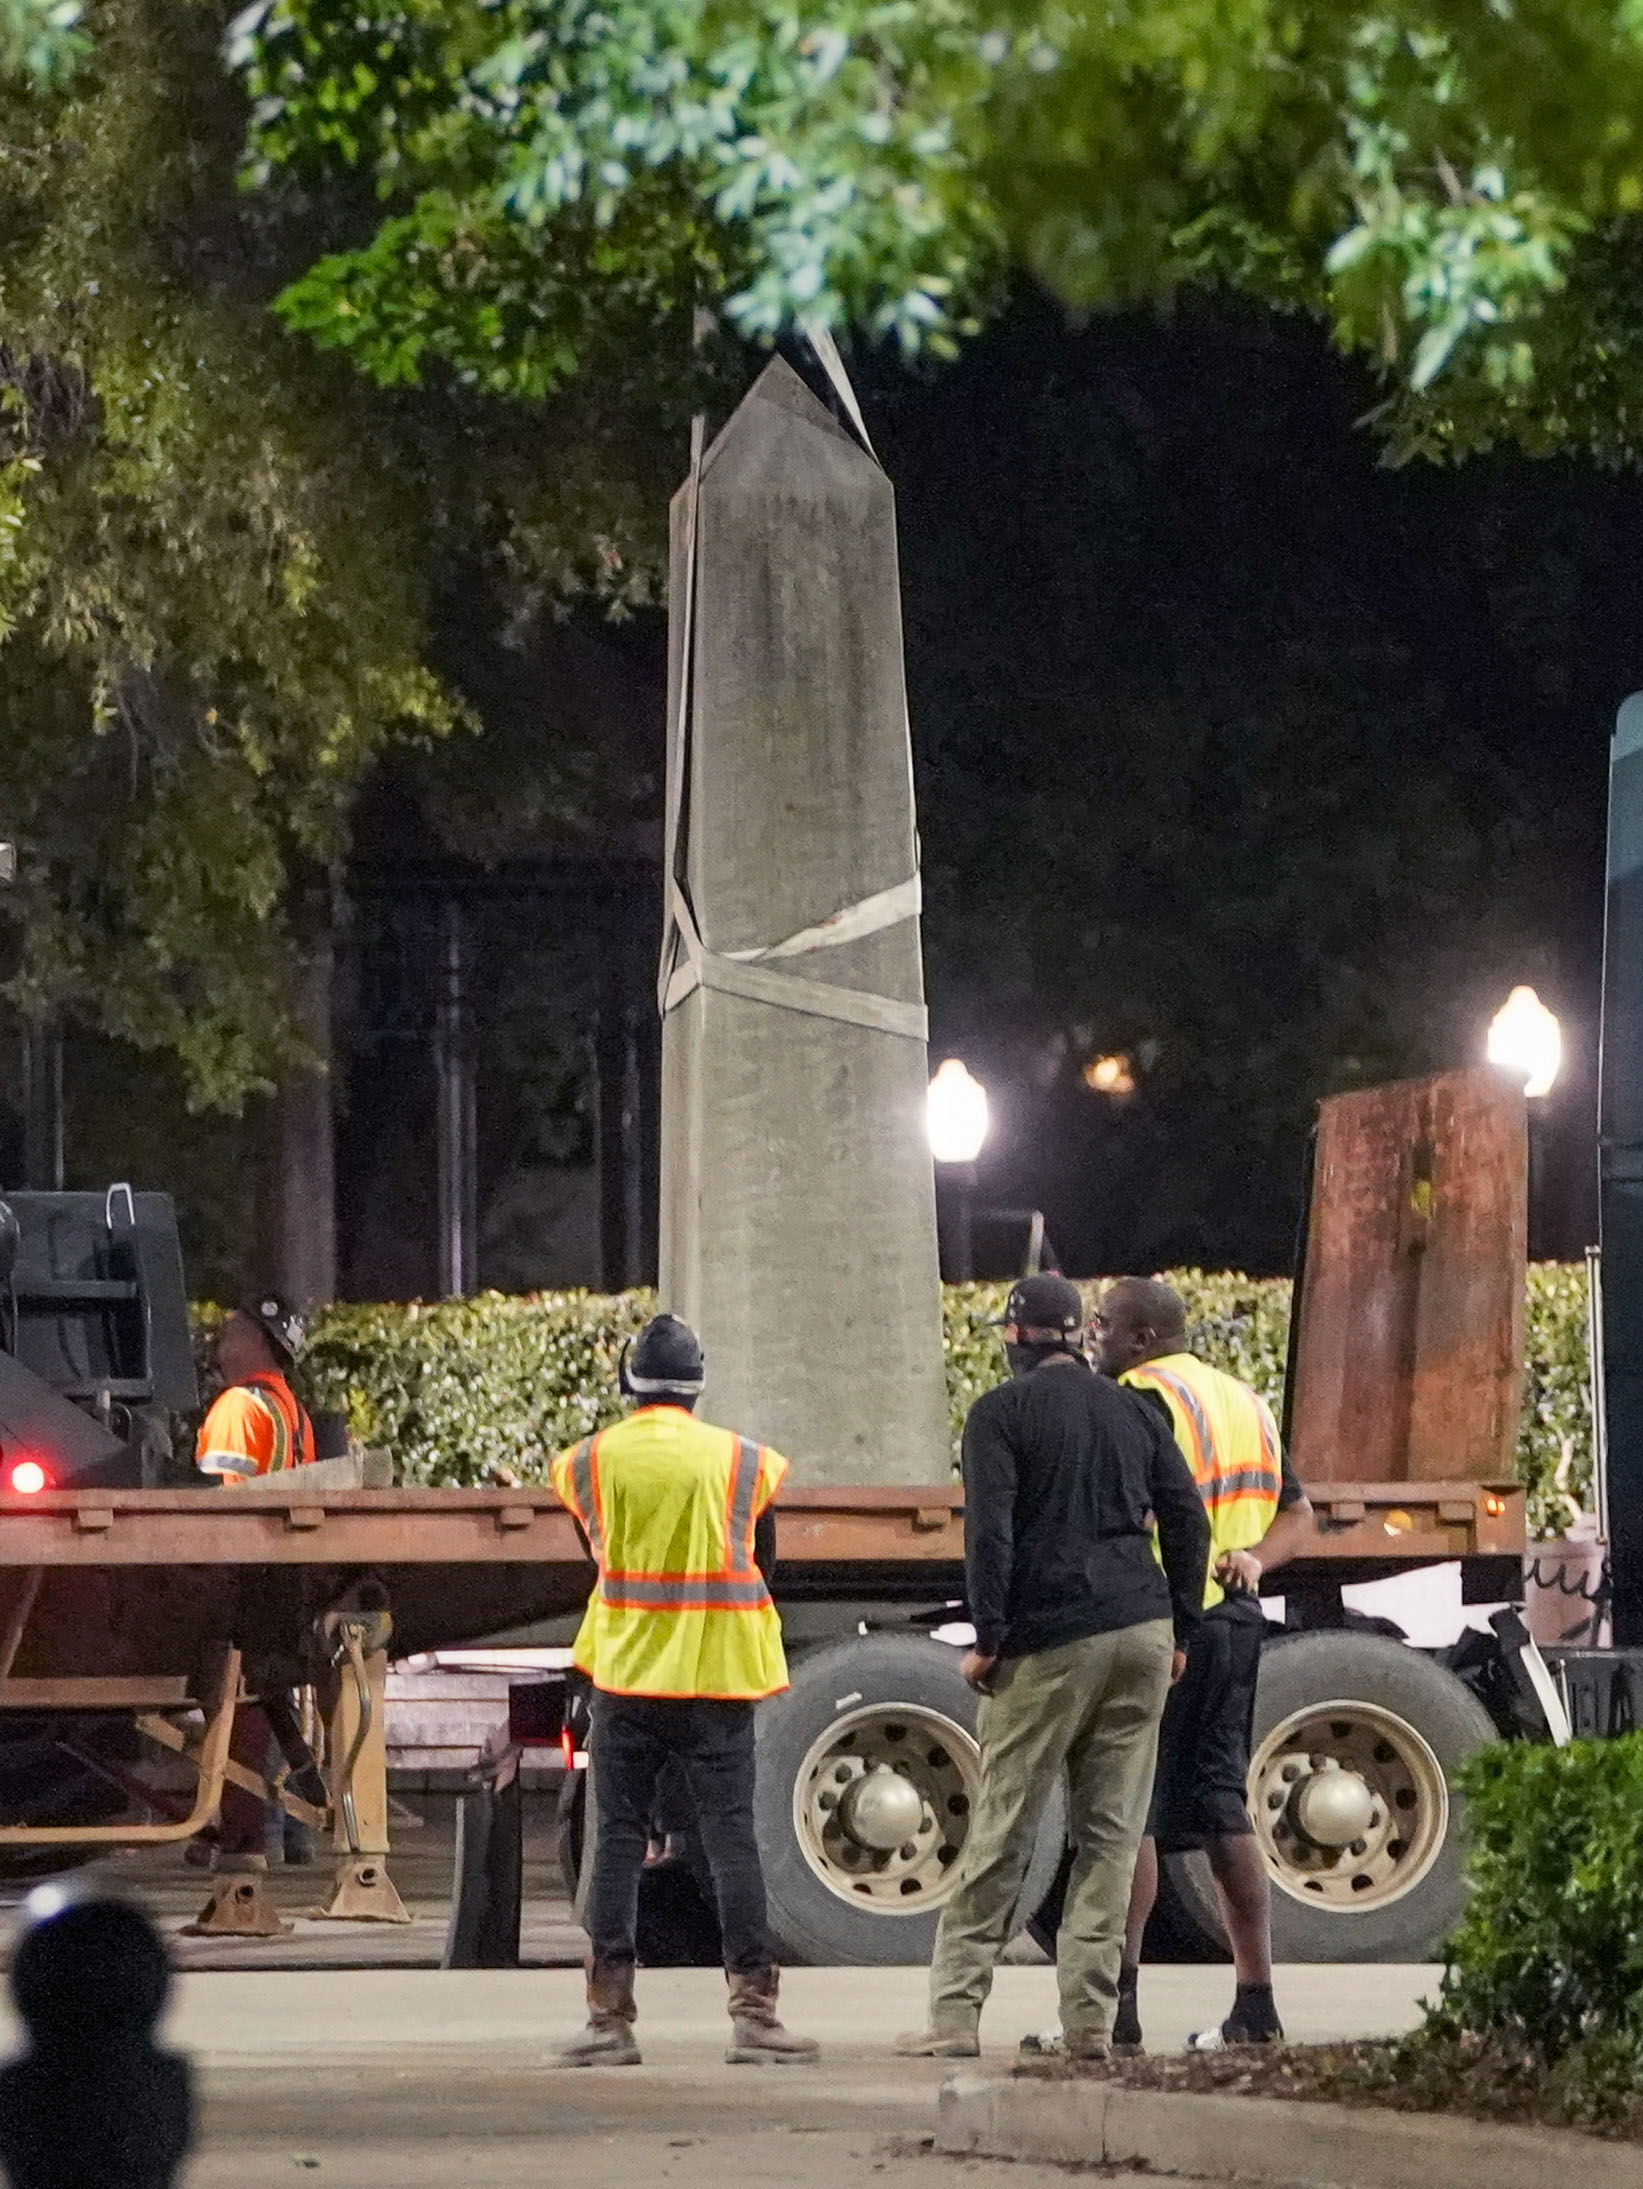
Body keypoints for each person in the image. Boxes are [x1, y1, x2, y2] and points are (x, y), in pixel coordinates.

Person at [895, 1275, 1209, 2065]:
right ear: (1076, 1335)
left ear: (1018, 1336)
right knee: (1109, 1837)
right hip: (1140, 1630)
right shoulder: (1137, 1410)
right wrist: (1180, 1625)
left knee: (1004, 1826)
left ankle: (955, 2014)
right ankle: (1088, 2029)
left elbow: (990, 1534)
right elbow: (1188, 1518)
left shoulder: (1001, 1414)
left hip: (1049, 1637)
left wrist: (989, 1635)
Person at [549, 1313, 818, 2069]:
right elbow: (763, 1559)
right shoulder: (741, 1460)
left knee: (617, 1841)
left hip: (626, 1676)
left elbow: (595, 1555)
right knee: (730, 1838)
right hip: (716, 1678)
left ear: (629, 1382)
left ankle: (608, 2020)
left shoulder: (587, 1461)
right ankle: (755, 2016)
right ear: (698, 1385)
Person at [1093, 1276, 1315, 2053]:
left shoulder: (1135, 1396)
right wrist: (1254, 1557)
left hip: (1163, 1621)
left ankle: (1115, 2012)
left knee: (1132, 1811)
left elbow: (1123, 1512)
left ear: (1143, 1337)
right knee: (1222, 1804)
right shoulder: (1241, 1401)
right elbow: (1300, 1512)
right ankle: (1255, 2002)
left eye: (1106, 1326)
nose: (1096, 1339)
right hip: (1233, 1620)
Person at [194, 1296, 316, 1481]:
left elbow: (220, 1503)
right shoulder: (298, 1417)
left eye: (229, 1336)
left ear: (257, 1340)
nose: (220, 1351)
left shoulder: (239, 1404)